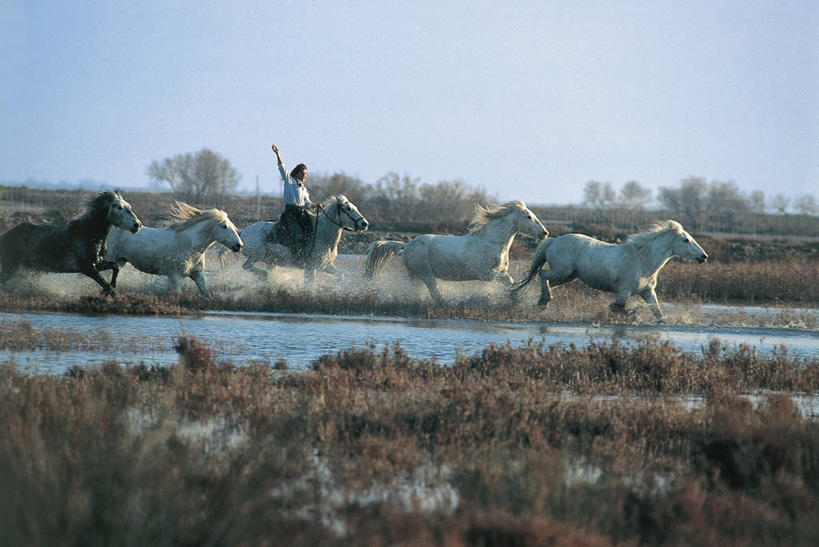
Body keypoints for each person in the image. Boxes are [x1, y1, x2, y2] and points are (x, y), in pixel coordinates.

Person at [272, 144, 322, 261]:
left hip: (301, 214)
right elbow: (281, 167)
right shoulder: (289, 180)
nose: (305, 176)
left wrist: (315, 205)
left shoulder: (303, 188)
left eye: (306, 174)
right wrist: (278, 154)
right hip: (290, 214)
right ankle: (295, 257)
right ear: (297, 173)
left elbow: (308, 204)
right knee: (297, 234)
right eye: (303, 174)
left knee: (310, 231)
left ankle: (306, 254)